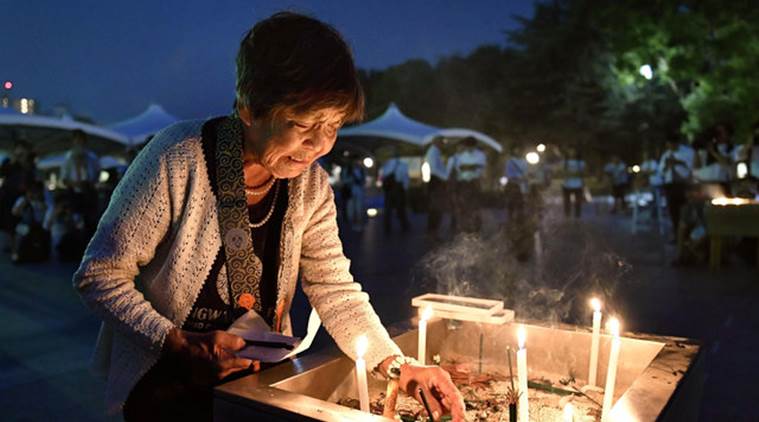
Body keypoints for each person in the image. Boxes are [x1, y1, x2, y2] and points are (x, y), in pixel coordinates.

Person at [73, 13, 464, 422]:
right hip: (163, 389)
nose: (317, 144)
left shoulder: (311, 186)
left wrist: (396, 366)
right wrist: (177, 342)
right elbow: (99, 275)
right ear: (249, 107)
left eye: (331, 125)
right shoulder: (176, 158)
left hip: (256, 392)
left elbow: (334, 288)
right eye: (301, 123)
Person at [59, 129, 101, 233]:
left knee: (91, 223)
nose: (79, 142)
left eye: (81, 140)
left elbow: (97, 173)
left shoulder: (92, 157)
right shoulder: (67, 158)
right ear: (73, 141)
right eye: (76, 140)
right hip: (74, 194)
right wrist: (74, 184)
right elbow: (63, 179)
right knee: (76, 224)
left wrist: (90, 183)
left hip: (89, 193)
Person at [0, 138, 37, 247]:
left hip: (21, 197)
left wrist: (26, 199)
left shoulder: (30, 166)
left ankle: (17, 246)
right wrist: (13, 160)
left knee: (18, 223)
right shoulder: (9, 162)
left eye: (23, 149)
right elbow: (2, 173)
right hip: (7, 196)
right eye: (18, 149)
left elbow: (32, 184)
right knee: (7, 222)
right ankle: (13, 245)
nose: (20, 152)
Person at [448, 137, 486, 232]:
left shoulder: (480, 155)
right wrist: (472, 166)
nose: (469, 149)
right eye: (467, 147)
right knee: (464, 206)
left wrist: (468, 167)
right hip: (463, 183)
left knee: (475, 206)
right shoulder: (461, 155)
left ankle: (476, 228)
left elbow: (480, 168)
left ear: (475, 146)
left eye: (471, 147)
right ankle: (465, 228)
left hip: (474, 182)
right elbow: (459, 168)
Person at [659, 134, 693, 239]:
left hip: (684, 184)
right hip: (670, 184)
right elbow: (661, 171)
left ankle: (687, 235)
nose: (670, 147)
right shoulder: (666, 155)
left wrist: (679, 162)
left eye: (671, 144)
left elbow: (692, 166)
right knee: (673, 211)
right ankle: (676, 234)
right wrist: (666, 166)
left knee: (686, 211)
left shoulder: (687, 152)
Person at [10, 180, 50, 263]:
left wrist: (38, 201)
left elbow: (46, 211)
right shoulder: (22, 200)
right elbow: (15, 212)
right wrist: (26, 201)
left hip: (39, 226)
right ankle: (17, 254)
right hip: (25, 224)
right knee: (20, 232)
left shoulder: (43, 201)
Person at [380, 148, 411, 233]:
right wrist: (405, 188)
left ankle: (387, 227)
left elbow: (383, 176)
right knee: (400, 208)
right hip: (398, 188)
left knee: (388, 209)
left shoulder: (386, 164)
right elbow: (405, 178)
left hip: (389, 189)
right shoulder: (403, 165)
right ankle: (404, 225)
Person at [423, 138, 449, 237]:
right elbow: (434, 169)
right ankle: (432, 231)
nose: (443, 144)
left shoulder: (434, 152)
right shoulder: (433, 152)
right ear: (436, 142)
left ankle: (433, 231)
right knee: (436, 206)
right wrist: (446, 178)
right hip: (436, 182)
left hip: (436, 181)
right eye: (442, 142)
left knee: (436, 206)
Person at [503, 144, 528, 221]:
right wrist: (517, 178)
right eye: (516, 149)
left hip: (522, 185)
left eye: (519, 149)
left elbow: (526, 172)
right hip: (513, 184)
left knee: (521, 204)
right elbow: (508, 174)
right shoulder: (510, 162)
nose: (518, 151)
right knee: (511, 203)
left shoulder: (524, 161)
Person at [340, 157, 366, 231]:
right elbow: (344, 181)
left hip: (359, 191)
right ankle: (351, 224)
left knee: (358, 207)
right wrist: (351, 180)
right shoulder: (347, 170)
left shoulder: (361, 170)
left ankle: (358, 223)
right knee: (350, 208)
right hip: (350, 191)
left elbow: (363, 181)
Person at [561, 147, 586, 218]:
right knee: (566, 201)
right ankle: (567, 215)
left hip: (578, 184)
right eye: (570, 151)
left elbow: (583, 173)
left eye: (573, 151)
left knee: (578, 201)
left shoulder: (581, 163)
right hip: (566, 184)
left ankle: (577, 215)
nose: (572, 153)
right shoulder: (565, 162)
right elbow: (562, 172)